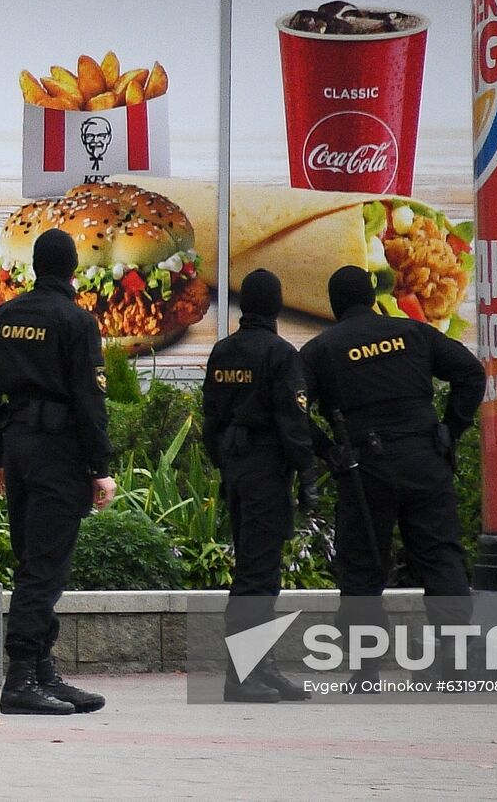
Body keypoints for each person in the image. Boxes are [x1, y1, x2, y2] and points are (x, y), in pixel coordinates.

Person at [299, 266, 485, 683]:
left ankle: (365, 671)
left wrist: (327, 450)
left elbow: (291, 407)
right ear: (372, 296)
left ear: (333, 304)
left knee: (363, 566)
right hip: (424, 457)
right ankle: (456, 663)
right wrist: (450, 430)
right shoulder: (414, 333)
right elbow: (471, 372)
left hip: (365, 467)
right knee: (440, 556)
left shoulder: (322, 349)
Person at [0, 229, 116, 716]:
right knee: (45, 566)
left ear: (35, 266)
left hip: (18, 446)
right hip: (58, 451)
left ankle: (42, 670)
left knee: (33, 557)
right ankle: (20, 678)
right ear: (73, 268)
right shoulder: (76, 321)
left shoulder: (6, 317)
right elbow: (90, 398)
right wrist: (101, 466)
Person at [202, 270, 318, 703]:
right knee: (258, 574)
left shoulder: (223, 351)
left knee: (256, 570)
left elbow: (210, 420)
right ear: (276, 305)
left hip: (237, 471)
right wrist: (307, 478)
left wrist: (227, 464)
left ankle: (261, 667)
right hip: (267, 473)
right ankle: (243, 675)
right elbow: (295, 424)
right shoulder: (280, 354)